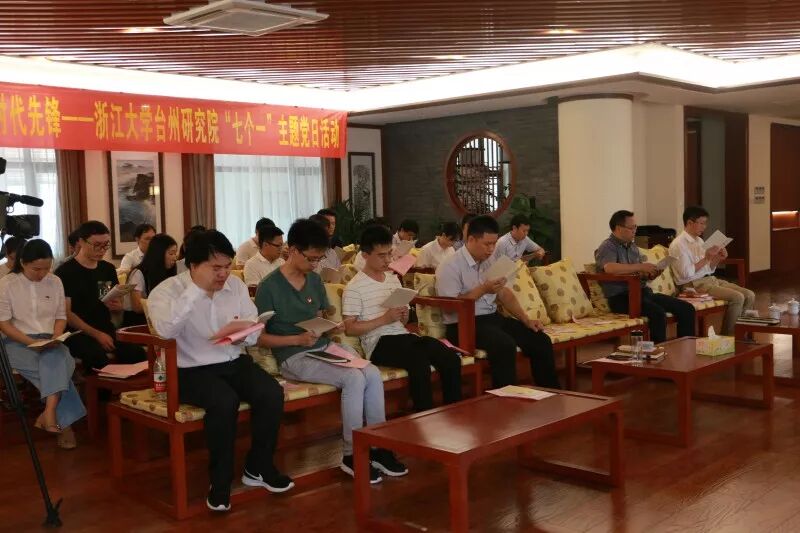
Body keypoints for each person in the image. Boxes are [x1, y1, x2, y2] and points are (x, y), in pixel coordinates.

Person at [148, 229, 292, 512]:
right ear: (193, 265)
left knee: (271, 393)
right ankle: (220, 481)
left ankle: (258, 467)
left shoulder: (235, 286)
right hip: (190, 370)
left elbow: (252, 327)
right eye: (216, 268)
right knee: (224, 401)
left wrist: (246, 334)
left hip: (233, 361)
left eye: (227, 266)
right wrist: (196, 291)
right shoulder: (167, 291)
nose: (224, 274)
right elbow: (165, 331)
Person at [255, 219, 407, 484]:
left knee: (371, 373)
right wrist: (297, 339)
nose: (315, 265)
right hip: (293, 356)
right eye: (311, 258)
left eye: (319, 259)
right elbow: (259, 337)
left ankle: (379, 446)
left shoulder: (314, 280)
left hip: (322, 346)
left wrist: (330, 325)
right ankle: (351, 454)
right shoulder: (269, 286)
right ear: (293, 250)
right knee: (353, 378)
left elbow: (320, 317)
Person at [344, 225, 462, 411]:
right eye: (381, 255)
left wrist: (404, 316)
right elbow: (350, 328)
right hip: (378, 344)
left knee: (449, 357)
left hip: (403, 337)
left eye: (389, 254)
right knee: (419, 361)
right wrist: (384, 319)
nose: (387, 260)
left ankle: (454, 410)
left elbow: (403, 323)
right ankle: (425, 415)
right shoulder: (354, 287)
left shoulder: (392, 279)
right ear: (365, 255)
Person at [436, 215, 560, 389]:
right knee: (504, 345)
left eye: (494, 243)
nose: (491, 249)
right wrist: (483, 289)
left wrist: (526, 320)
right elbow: (450, 308)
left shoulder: (491, 261)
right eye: (487, 244)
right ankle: (505, 399)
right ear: (471, 239)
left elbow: (505, 294)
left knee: (540, 339)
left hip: (492, 319)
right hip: (463, 325)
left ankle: (551, 391)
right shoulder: (450, 266)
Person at [0, 239, 85, 449]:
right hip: (16, 341)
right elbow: (4, 324)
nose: (42, 274)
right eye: (36, 269)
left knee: (54, 360)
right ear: (22, 262)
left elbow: (60, 316)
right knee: (58, 368)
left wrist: (56, 336)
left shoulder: (55, 281)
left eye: (46, 268)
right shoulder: (7, 284)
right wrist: (31, 342)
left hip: (49, 338)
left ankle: (49, 413)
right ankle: (61, 422)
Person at [55, 220, 146, 371]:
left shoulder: (107, 269)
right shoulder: (65, 272)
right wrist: (97, 334)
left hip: (105, 328)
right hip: (77, 333)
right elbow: (67, 314)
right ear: (81, 242)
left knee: (136, 353)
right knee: (96, 356)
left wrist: (117, 306)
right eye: (97, 245)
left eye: (105, 245)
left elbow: (107, 300)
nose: (102, 250)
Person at [595, 210, 696, 343]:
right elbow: (609, 268)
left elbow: (637, 273)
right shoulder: (608, 246)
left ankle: (686, 349)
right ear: (618, 228)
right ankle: (657, 352)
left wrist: (650, 274)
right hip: (621, 298)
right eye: (631, 227)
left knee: (687, 309)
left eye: (636, 226)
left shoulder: (633, 247)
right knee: (658, 313)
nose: (635, 230)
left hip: (643, 293)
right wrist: (640, 267)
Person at [669, 206, 754, 335]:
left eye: (705, 223)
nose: (704, 227)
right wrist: (707, 258)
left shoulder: (699, 241)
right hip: (693, 285)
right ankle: (728, 337)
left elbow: (709, 268)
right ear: (690, 223)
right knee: (737, 297)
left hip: (709, 280)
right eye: (701, 223)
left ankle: (742, 335)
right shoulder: (678, 244)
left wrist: (717, 258)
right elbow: (685, 273)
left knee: (749, 295)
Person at [127, 233, 179, 318]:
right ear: (158, 254)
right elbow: (137, 306)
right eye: (171, 254)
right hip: (140, 320)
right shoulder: (139, 273)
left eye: (175, 253)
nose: (175, 257)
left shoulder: (169, 271)